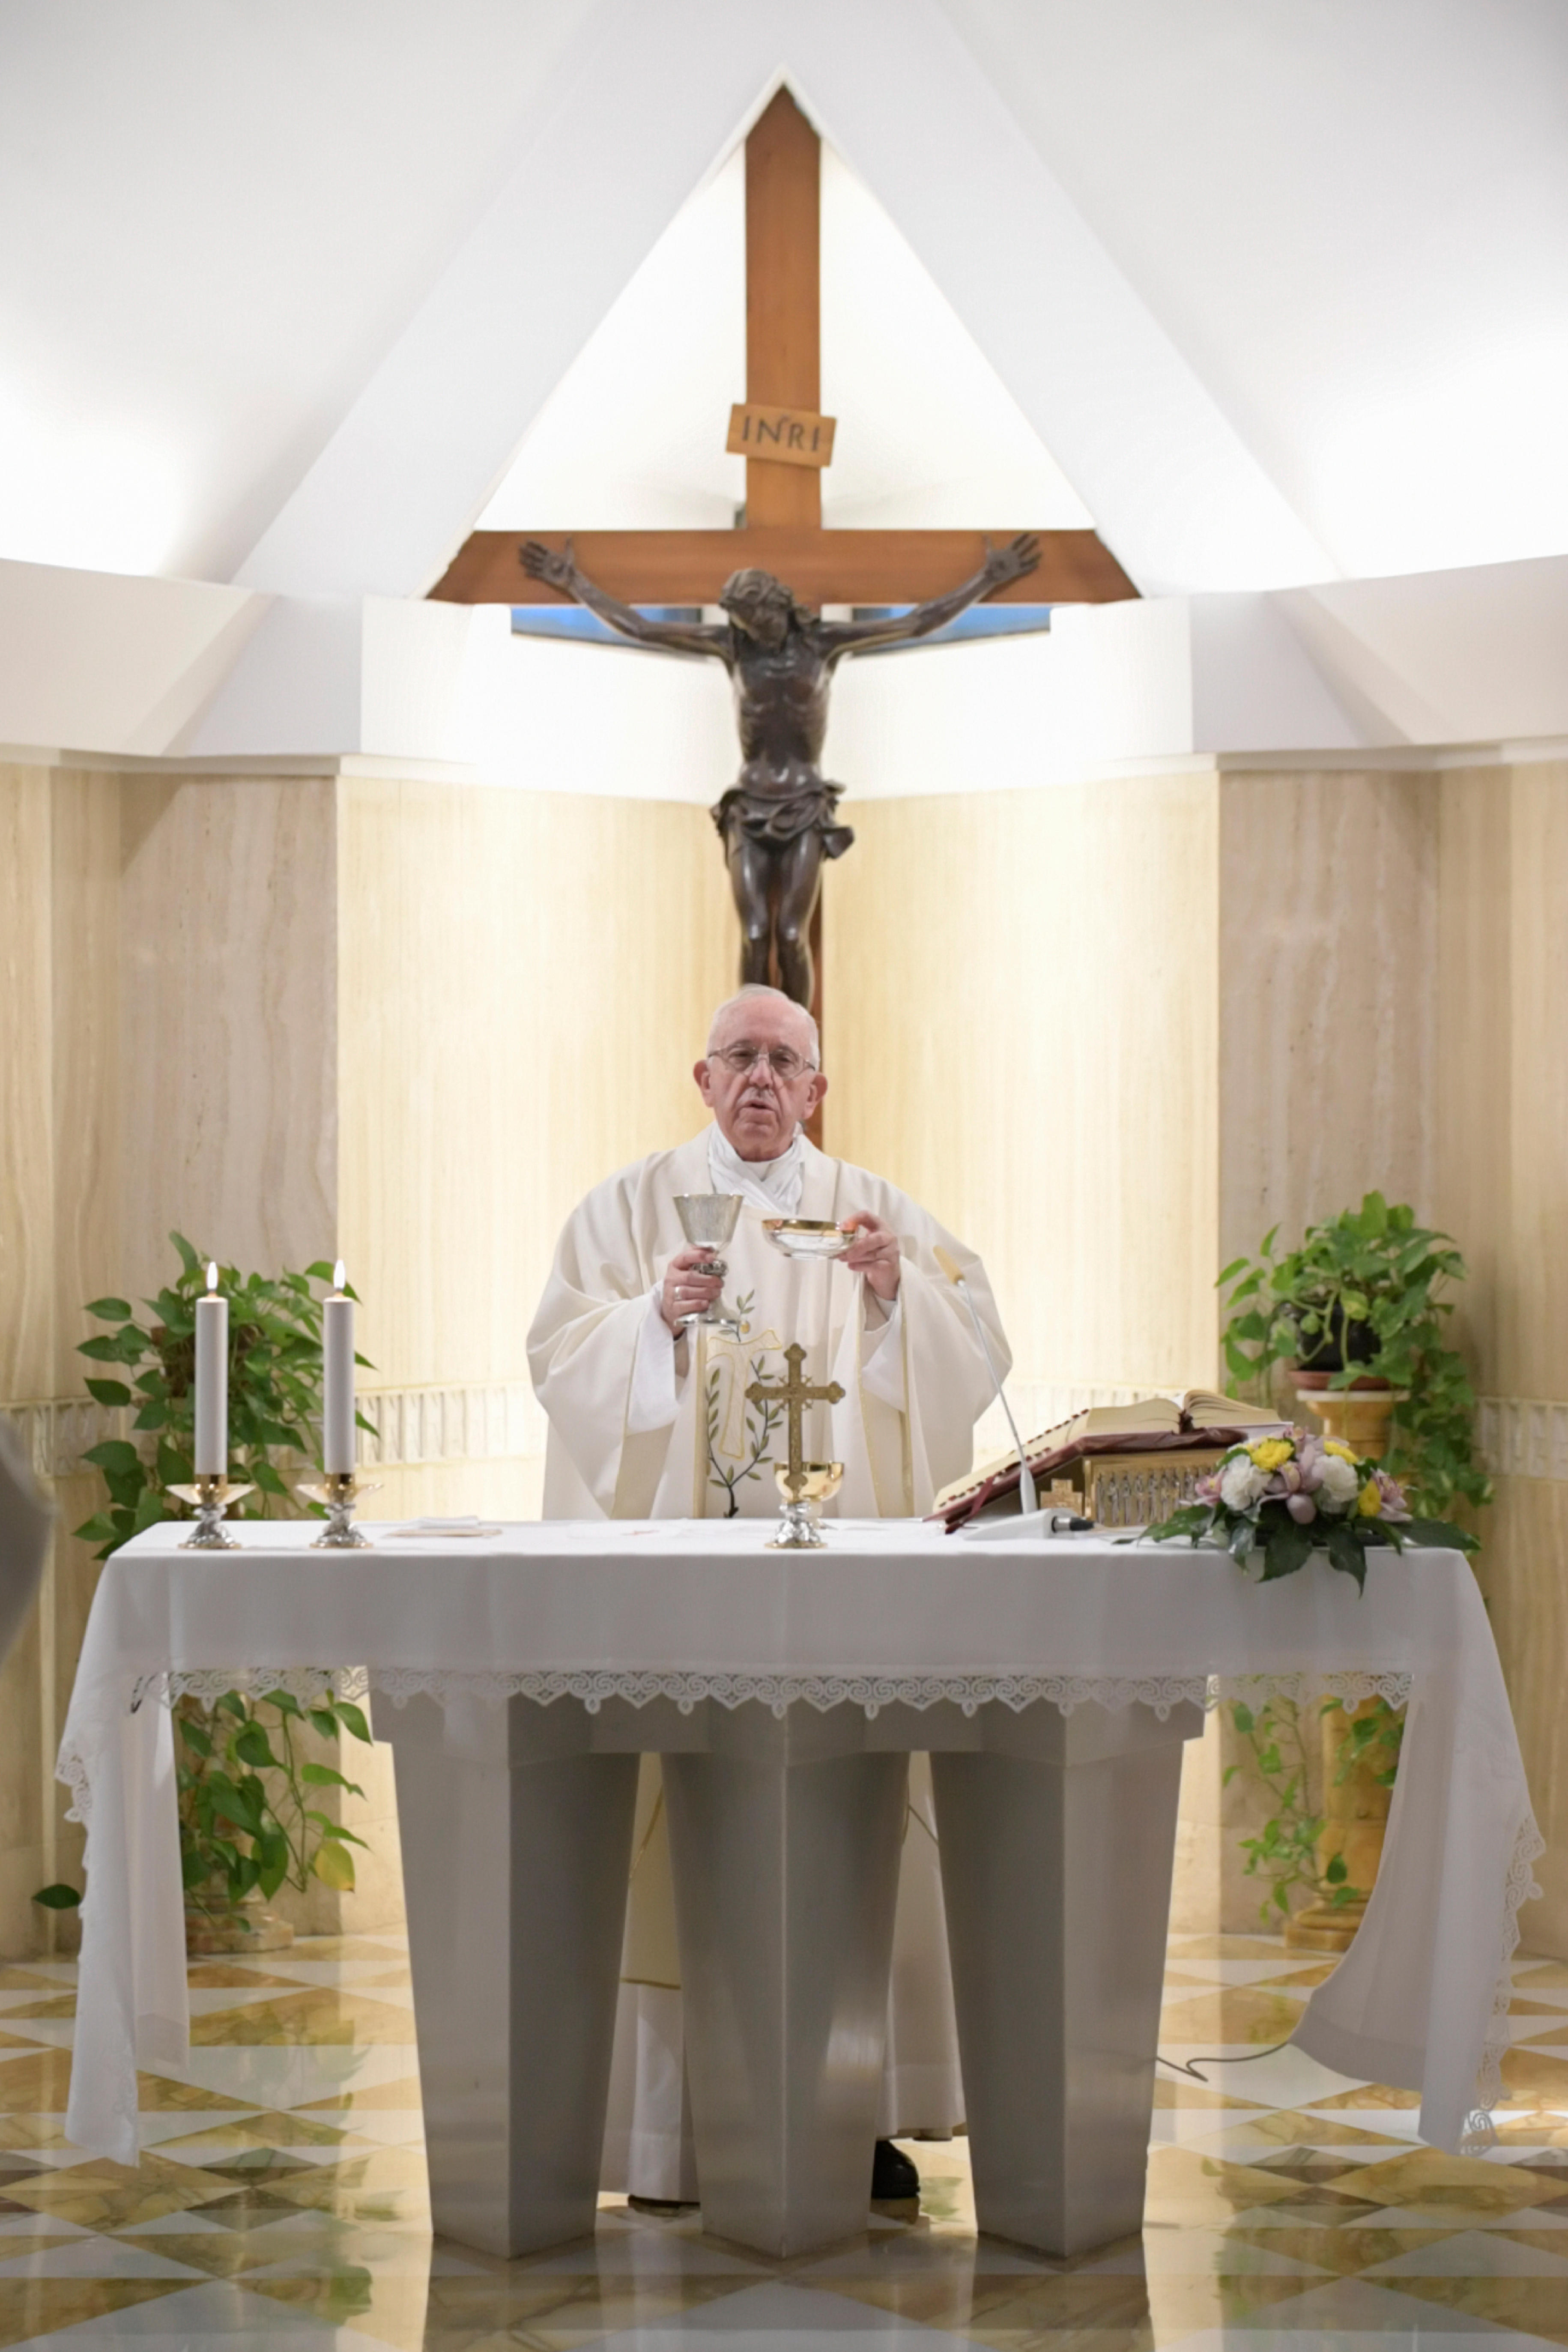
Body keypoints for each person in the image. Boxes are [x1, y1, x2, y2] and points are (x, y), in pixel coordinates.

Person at [528, 985, 1010, 2207]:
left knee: (845, 1826)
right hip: (676, 1600)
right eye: (738, 1056)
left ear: (816, 1088)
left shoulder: (872, 1211)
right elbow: (558, 1355)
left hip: (838, 1599)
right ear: (700, 1079)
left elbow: (976, 1346)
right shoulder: (625, 1211)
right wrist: (652, 1319)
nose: (759, 1078)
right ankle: (673, 2133)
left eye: (783, 1060)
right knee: (673, 1827)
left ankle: (851, 2117)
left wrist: (897, 1295)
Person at [521, 534, 1039, 1005]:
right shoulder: (732, 647)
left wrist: (986, 580)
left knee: (791, 934)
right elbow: (642, 628)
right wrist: (573, 582)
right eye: (743, 621)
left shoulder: (821, 644)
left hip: (805, 804)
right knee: (753, 934)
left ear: (778, 605)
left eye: (757, 617)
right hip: (748, 807)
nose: (752, 629)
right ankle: (747, 1038)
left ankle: (799, 1044)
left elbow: (915, 623)